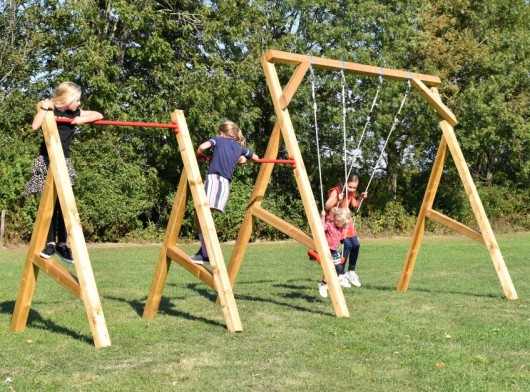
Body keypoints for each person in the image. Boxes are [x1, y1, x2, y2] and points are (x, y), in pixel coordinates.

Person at [25, 82, 103, 264]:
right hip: (47, 161)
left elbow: (99, 114)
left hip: (64, 162)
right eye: (76, 100)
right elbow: (35, 126)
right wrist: (44, 107)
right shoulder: (50, 110)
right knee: (48, 204)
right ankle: (50, 242)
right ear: (66, 99)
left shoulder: (74, 112)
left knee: (63, 204)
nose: (78, 103)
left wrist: (84, 119)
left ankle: (62, 245)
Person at [189, 120, 259, 265]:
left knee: (201, 214)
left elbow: (201, 147)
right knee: (200, 214)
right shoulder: (239, 146)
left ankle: (207, 252)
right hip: (225, 184)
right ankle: (204, 251)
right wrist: (245, 159)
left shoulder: (218, 139)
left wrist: (199, 156)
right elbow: (257, 158)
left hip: (214, 180)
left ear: (221, 132)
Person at [324, 173, 367, 287]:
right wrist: (337, 199)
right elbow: (327, 206)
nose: (352, 189)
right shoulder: (337, 191)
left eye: (354, 188)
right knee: (347, 245)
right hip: (336, 222)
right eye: (350, 186)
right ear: (344, 183)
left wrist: (361, 198)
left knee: (356, 245)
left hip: (346, 221)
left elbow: (355, 205)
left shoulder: (351, 193)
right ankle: (340, 274)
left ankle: (351, 272)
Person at [317, 207, 353, 298]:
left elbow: (346, 221)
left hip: (333, 250)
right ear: (336, 220)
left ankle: (329, 282)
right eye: (342, 224)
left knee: (338, 266)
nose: (343, 226)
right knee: (330, 267)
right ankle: (324, 284)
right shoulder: (329, 225)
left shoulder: (340, 226)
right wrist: (322, 216)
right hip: (326, 248)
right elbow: (320, 228)